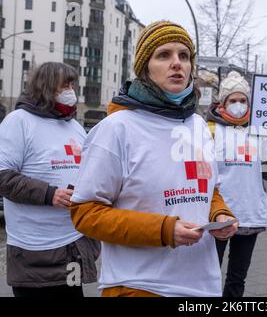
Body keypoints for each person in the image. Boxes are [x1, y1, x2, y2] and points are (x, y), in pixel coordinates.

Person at [69, 21, 238, 298]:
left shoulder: (197, 125)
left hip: (202, 285)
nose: (177, 63)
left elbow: (209, 189)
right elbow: (85, 213)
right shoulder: (117, 128)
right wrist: (163, 230)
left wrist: (220, 215)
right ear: (145, 67)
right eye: (164, 55)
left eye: (184, 56)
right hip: (139, 286)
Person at [0, 62, 100, 298]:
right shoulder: (18, 122)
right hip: (36, 252)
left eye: (72, 83)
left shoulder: (74, 126)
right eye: (65, 83)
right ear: (45, 85)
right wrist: (49, 194)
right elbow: (2, 176)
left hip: (74, 246)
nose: (71, 89)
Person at [206, 71, 267, 297]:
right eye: (233, 100)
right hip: (218, 216)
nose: (238, 104)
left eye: (243, 100)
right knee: (209, 277)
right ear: (222, 103)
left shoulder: (258, 130)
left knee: (237, 279)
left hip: (250, 214)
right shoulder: (209, 131)